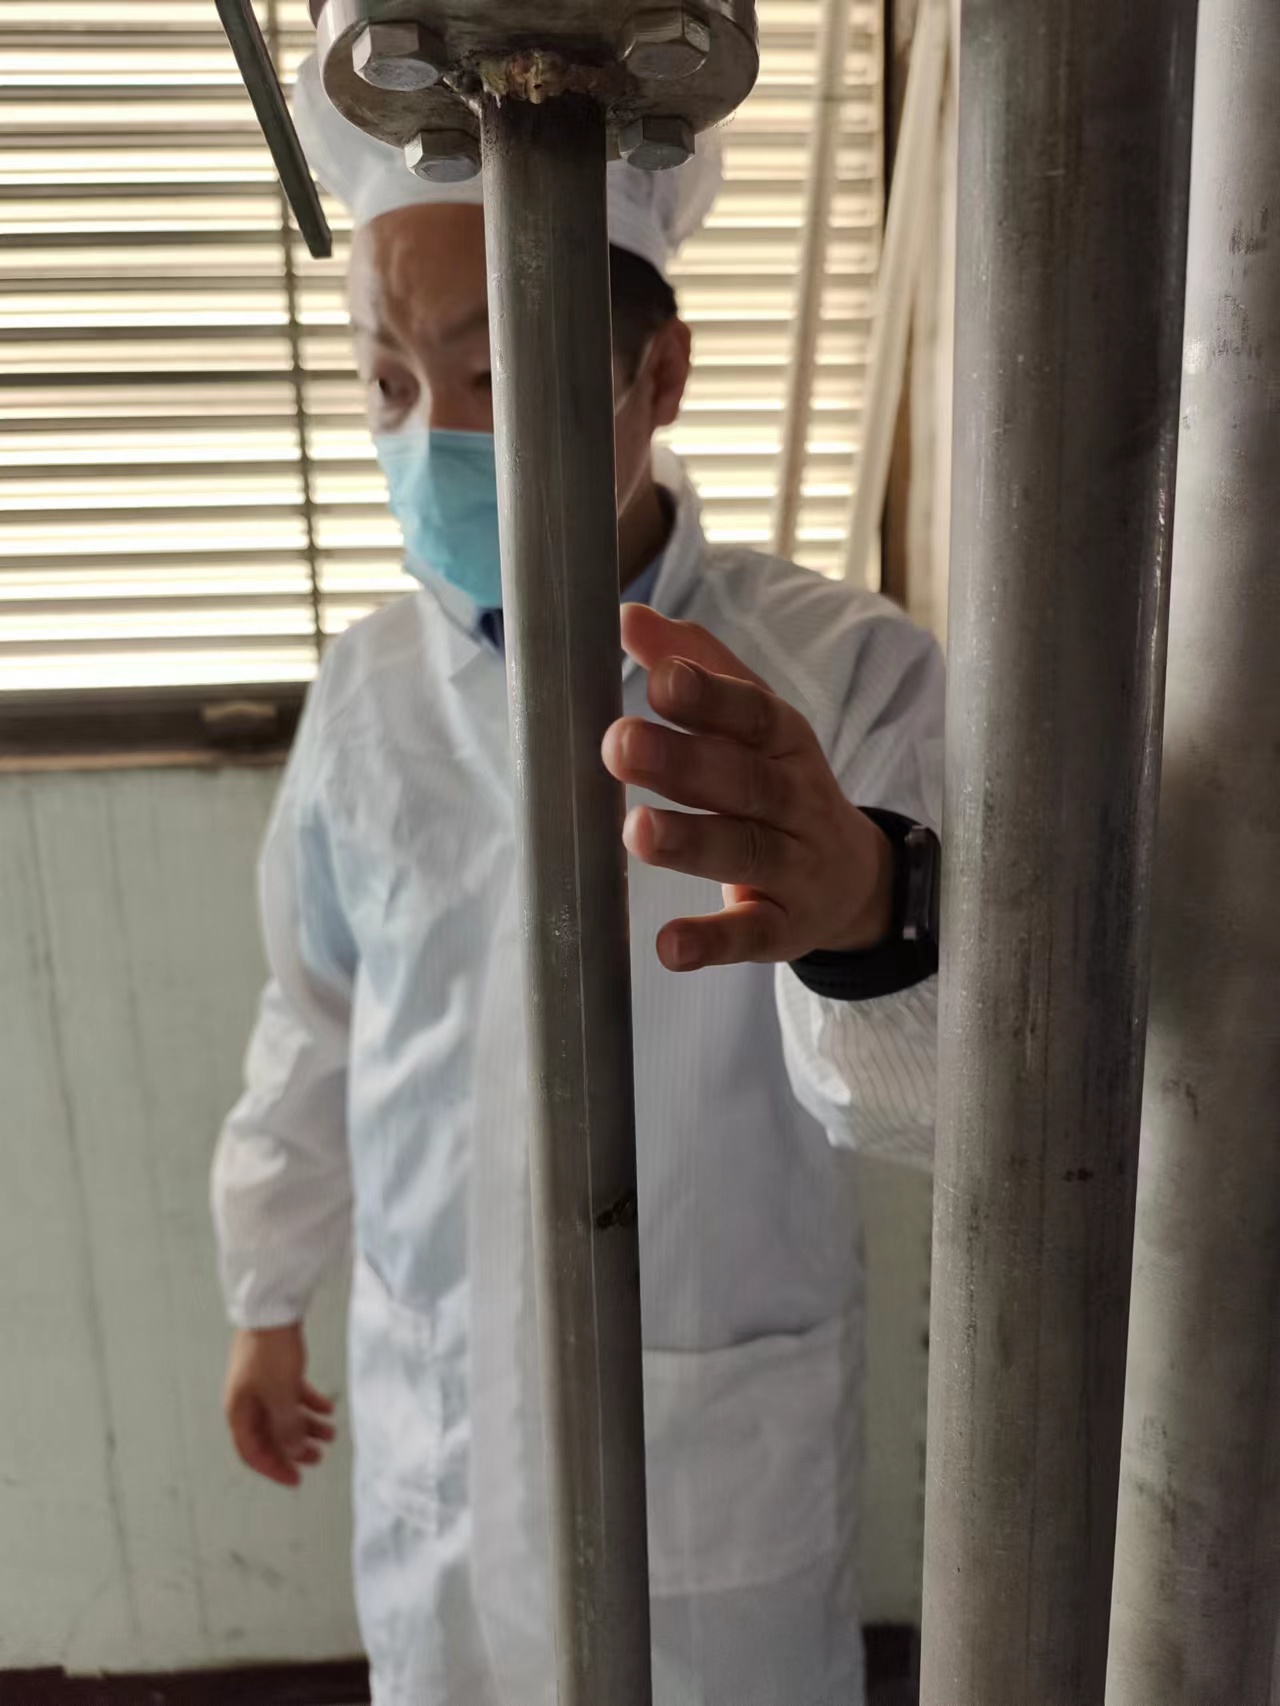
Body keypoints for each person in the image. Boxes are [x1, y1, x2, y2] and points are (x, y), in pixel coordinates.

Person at [212, 55, 943, 1706]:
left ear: (656, 370)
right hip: (438, 1424)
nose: (433, 436)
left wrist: (867, 908)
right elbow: (317, 1018)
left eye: (490, 373)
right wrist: (266, 1288)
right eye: (388, 381)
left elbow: (968, 1076)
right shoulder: (368, 699)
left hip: (706, 1461)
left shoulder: (839, 680)